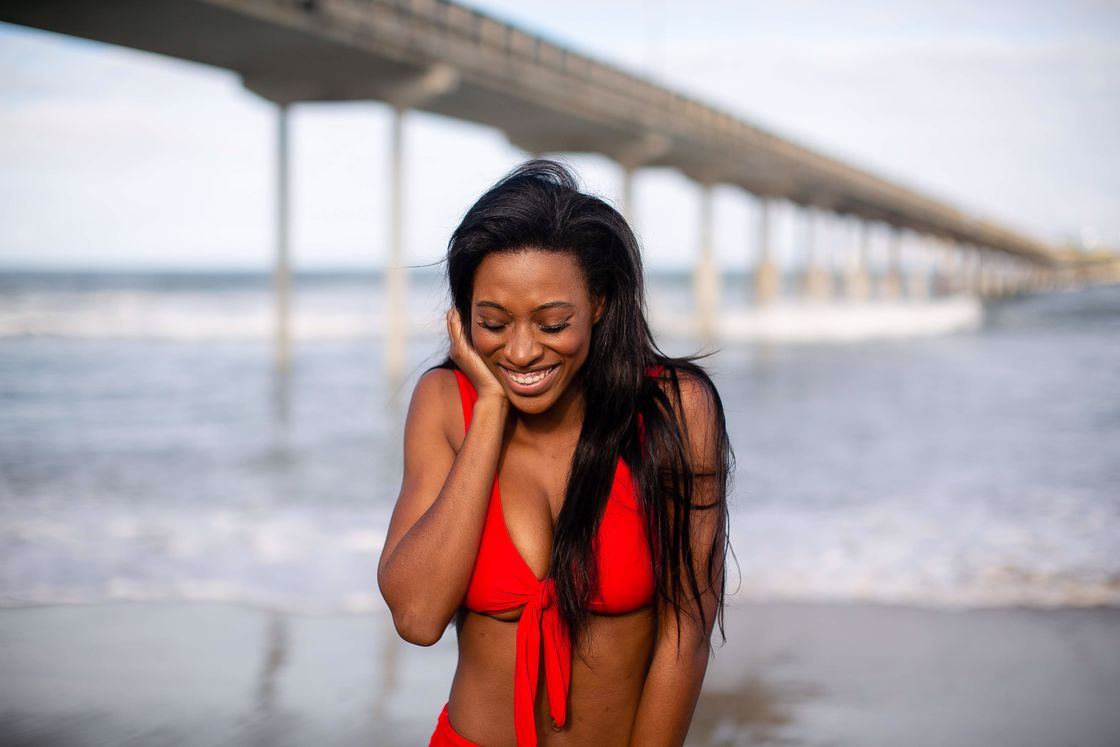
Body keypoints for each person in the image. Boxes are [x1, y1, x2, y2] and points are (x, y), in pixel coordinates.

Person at [377, 160, 732, 747]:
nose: (519, 351)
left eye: (552, 322)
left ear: (598, 302)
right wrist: (489, 413)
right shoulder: (444, 403)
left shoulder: (675, 408)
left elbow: (685, 633)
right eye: (492, 322)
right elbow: (417, 617)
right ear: (464, 317)